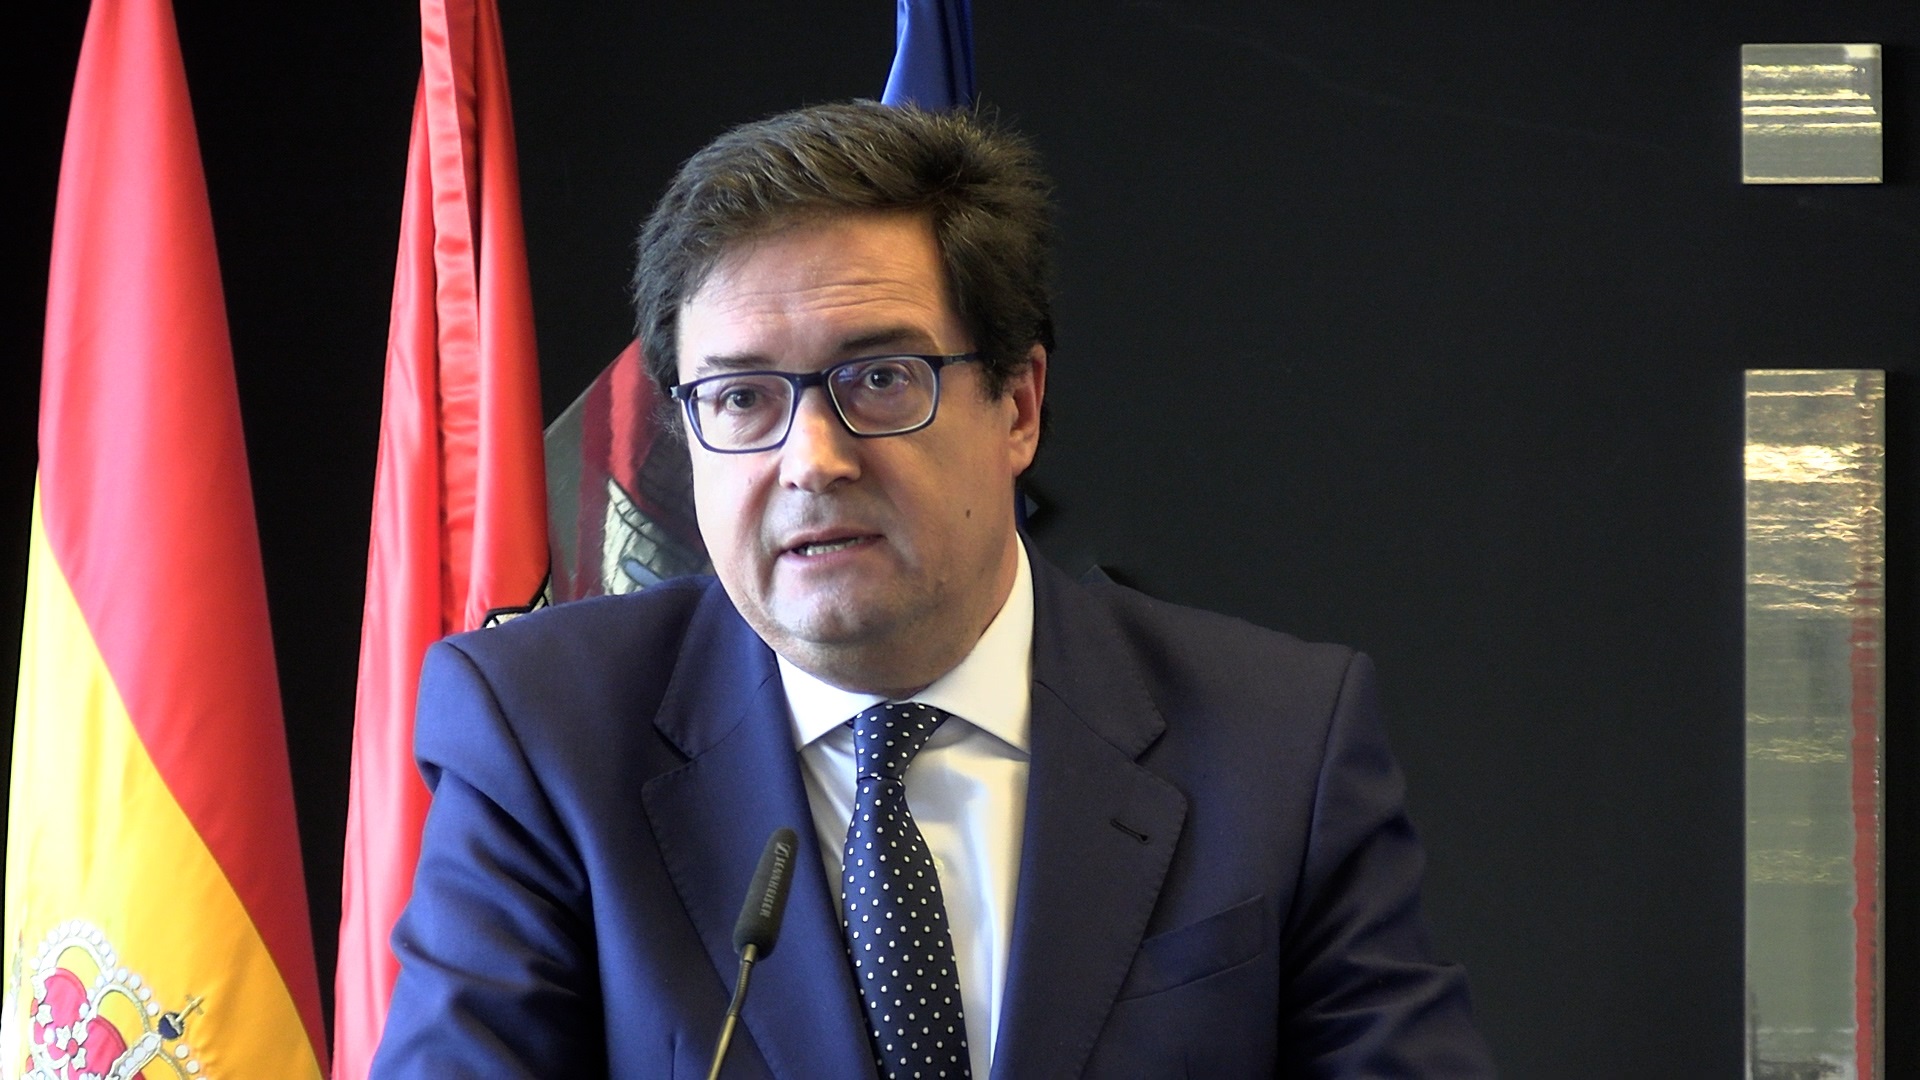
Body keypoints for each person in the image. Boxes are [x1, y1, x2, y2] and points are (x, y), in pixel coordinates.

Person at [372, 101, 1492, 1078]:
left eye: (880, 379)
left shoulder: (1276, 742)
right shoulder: (545, 738)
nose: (812, 460)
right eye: (743, 398)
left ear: (1019, 407)